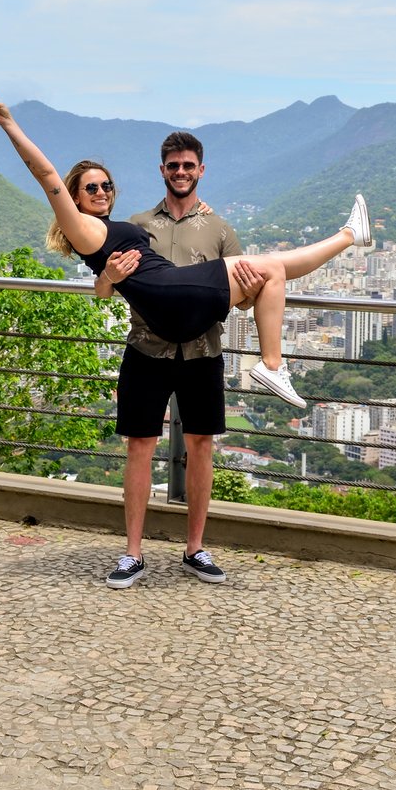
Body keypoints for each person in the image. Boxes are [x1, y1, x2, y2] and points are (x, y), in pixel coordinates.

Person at [0, 92, 373, 559]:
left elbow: (132, 287)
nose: (100, 192)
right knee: (277, 268)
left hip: (192, 320)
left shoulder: (155, 225)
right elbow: (46, 176)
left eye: (105, 186)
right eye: (89, 188)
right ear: (75, 196)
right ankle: (340, 251)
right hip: (166, 317)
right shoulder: (89, 227)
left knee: (270, 273)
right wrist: (9, 124)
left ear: (199, 170)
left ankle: (345, 244)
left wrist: (118, 277)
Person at [90, 129, 265, 588]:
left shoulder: (221, 229)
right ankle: (132, 553)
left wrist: (247, 292)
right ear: (162, 170)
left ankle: (195, 549)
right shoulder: (136, 224)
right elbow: (104, 292)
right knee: (138, 448)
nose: (181, 172)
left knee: (202, 446)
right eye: (174, 166)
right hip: (146, 349)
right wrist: (107, 275)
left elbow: (244, 299)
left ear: (200, 170)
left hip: (203, 351)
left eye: (189, 165)